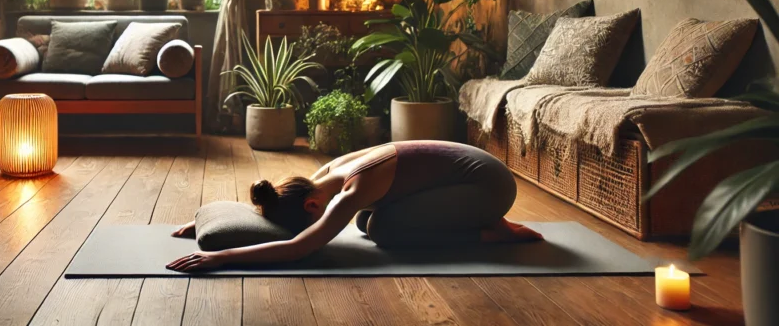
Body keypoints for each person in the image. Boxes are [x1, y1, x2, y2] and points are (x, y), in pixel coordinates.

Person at [167, 140, 542, 272]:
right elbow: (275, 201)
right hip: (466, 174)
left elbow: (301, 248)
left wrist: (222, 257)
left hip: (488, 187)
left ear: (313, 206)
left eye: (308, 220)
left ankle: (492, 231)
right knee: (365, 222)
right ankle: (480, 220)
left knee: (383, 230)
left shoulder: (352, 188)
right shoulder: (326, 172)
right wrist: (208, 220)